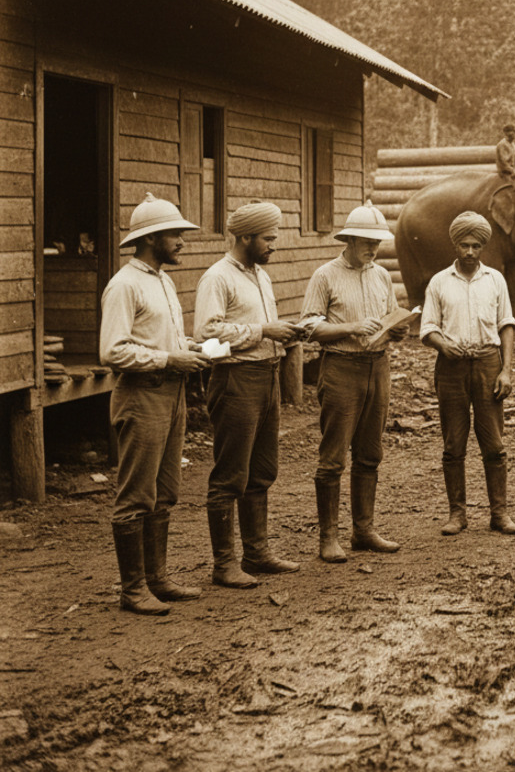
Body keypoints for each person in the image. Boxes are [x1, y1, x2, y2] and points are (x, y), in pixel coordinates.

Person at [99, 193, 210, 615]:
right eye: (175, 234)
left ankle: (157, 578)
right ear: (151, 239)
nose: (182, 241)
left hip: (172, 393)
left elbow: (160, 339)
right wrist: (168, 358)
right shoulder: (124, 285)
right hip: (141, 395)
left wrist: (193, 348)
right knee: (136, 495)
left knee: (166, 491)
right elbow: (112, 351)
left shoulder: (161, 280)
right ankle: (132, 590)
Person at [194, 201, 301, 589]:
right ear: (245, 237)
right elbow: (205, 336)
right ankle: (225, 564)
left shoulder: (260, 275)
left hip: (266, 376)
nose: (274, 245)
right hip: (235, 379)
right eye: (268, 238)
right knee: (230, 475)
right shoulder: (217, 278)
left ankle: (256, 553)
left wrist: (282, 330)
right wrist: (262, 332)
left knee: (262, 470)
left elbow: (259, 326)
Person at [300, 204, 405, 561]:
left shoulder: (381, 275)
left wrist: (398, 327)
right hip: (341, 367)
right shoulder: (325, 276)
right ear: (349, 239)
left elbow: (389, 315)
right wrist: (350, 328)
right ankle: (328, 538)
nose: (373, 249)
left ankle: (364, 530)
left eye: (378, 243)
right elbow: (310, 327)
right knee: (333, 457)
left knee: (370, 452)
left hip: (378, 367)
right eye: (367, 241)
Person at [420, 211, 515, 536]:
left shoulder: (494, 280)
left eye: (476, 246)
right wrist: (443, 346)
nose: (469, 252)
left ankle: (500, 514)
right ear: (455, 245)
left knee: (494, 442)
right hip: (450, 367)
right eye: (464, 245)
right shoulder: (439, 282)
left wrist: (506, 370)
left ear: (483, 247)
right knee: (453, 443)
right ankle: (457, 514)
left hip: (488, 362)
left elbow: (506, 325)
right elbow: (428, 328)